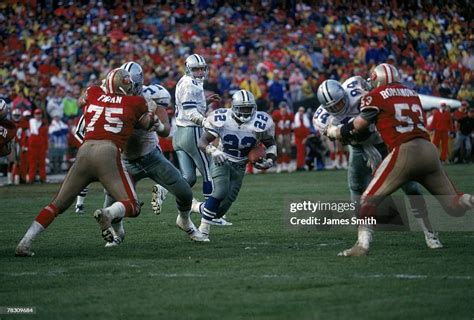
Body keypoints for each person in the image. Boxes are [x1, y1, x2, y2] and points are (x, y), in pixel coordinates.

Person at [15, 68, 172, 256]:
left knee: (57, 204)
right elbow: (148, 124)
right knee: (132, 205)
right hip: (107, 152)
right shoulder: (136, 102)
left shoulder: (94, 92)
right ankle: (108, 214)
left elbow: (81, 100)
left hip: (84, 151)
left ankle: (25, 242)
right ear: (126, 86)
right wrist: (152, 109)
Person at [325, 63, 474, 256]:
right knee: (455, 204)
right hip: (429, 151)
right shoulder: (412, 93)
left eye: (372, 80)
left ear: (378, 79)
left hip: (405, 152)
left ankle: (362, 246)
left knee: (368, 200)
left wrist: (335, 131)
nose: (370, 83)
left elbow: (359, 125)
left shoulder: (374, 96)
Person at [315, 75, 442, 249]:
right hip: (359, 147)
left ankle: (429, 232)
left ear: (344, 94)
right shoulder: (321, 118)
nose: (339, 107)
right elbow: (341, 137)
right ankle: (362, 234)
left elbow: (379, 98)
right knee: (356, 186)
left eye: (339, 102)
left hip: (385, 142)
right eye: (333, 106)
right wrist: (341, 132)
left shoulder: (355, 87)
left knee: (410, 186)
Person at [192, 90, 276, 240]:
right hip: (222, 159)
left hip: (240, 165)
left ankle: (195, 207)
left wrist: (269, 160)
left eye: (249, 108)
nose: (246, 112)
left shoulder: (261, 122)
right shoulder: (222, 118)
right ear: (234, 107)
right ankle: (203, 230)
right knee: (220, 191)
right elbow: (202, 142)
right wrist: (213, 151)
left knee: (220, 209)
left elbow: (271, 144)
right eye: (242, 108)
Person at [26, 108, 48, 183]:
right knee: (33, 164)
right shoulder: (31, 122)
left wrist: (46, 148)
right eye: (36, 114)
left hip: (41, 147)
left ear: (41, 115)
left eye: (39, 114)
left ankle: (43, 179)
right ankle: (31, 179)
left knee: (42, 164)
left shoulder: (43, 124)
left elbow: (45, 138)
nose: (38, 116)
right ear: (34, 115)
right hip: (32, 147)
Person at [293, 106, 311, 171]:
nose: (301, 112)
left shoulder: (305, 119)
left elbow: (307, 130)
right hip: (298, 138)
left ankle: (301, 165)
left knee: (303, 152)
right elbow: (294, 130)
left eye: (302, 111)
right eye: (300, 111)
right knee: (299, 152)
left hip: (304, 139)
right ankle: (299, 165)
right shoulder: (296, 119)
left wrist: (305, 138)